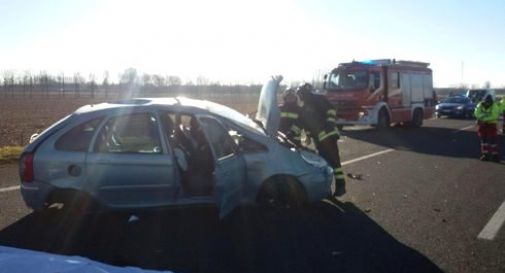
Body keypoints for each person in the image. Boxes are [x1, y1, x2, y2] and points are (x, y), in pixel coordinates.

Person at [296, 83, 346, 196]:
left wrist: (329, 123)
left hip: (329, 136)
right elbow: (307, 125)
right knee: (325, 163)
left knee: (334, 163)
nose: (300, 97)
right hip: (319, 140)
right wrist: (307, 135)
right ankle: (326, 189)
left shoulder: (318, 99)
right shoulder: (305, 107)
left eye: (301, 94)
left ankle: (341, 186)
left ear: (305, 92)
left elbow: (332, 110)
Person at [474, 94, 501, 162]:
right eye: (486, 102)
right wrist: (484, 117)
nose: (487, 103)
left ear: (491, 101)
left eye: (488, 102)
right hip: (483, 125)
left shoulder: (494, 106)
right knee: (483, 140)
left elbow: (495, 116)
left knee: (493, 141)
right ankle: (485, 155)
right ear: (484, 101)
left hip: (491, 124)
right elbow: (476, 113)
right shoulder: (480, 105)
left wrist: (483, 118)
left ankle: (495, 156)